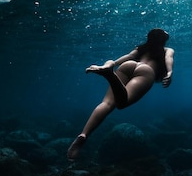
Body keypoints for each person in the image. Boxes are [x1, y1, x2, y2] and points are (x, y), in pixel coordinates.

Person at [67, 28, 175, 160]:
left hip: (128, 65)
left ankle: (84, 134)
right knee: (122, 103)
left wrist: (113, 63)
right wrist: (169, 73)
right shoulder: (167, 50)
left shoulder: (141, 48)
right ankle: (110, 75)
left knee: (106, 103)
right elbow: (168, 59)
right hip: (146, 71)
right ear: (164, 40)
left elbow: (128, 57)